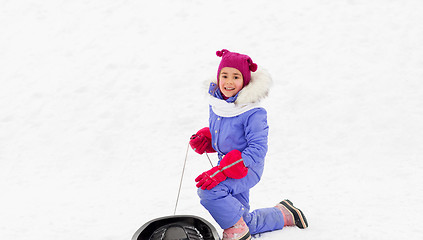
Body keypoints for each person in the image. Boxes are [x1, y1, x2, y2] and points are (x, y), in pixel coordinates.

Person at [189, 49, 309, 240]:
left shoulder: (253, 112)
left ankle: (235, 228)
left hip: (247, 167)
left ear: (245, 81)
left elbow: (258, 149)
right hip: (227, 164)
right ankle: (284, 214)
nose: (228, 82)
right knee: (242, 219)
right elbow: (226, 135)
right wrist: (208, 140)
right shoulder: (218, 105)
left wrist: (224, 170)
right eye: (224, 75)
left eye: (235, 77)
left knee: (209, 190)